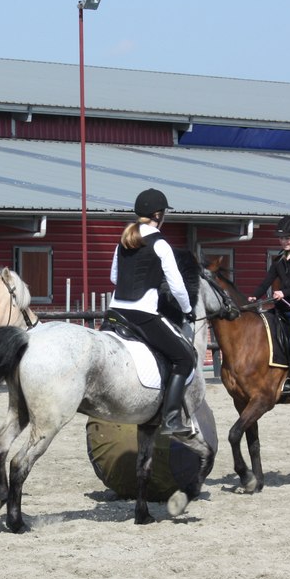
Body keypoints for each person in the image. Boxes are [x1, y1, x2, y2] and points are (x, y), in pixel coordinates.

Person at [108, 188, 196, 438]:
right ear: (158, 215)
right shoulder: (161, 244)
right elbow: (177, 286)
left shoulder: (124, 240)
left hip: (115, 312)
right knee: (184, 358)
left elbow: (114, 277)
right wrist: (187, 309)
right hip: (142, 315)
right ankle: (170, 419)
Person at [247, 215, 290, 399]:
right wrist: (255, 294)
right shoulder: (278, 259)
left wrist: (285, 293)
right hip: (280, 309)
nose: (284, 241)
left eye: (288, 238)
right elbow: (266, 282)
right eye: (282, 238)